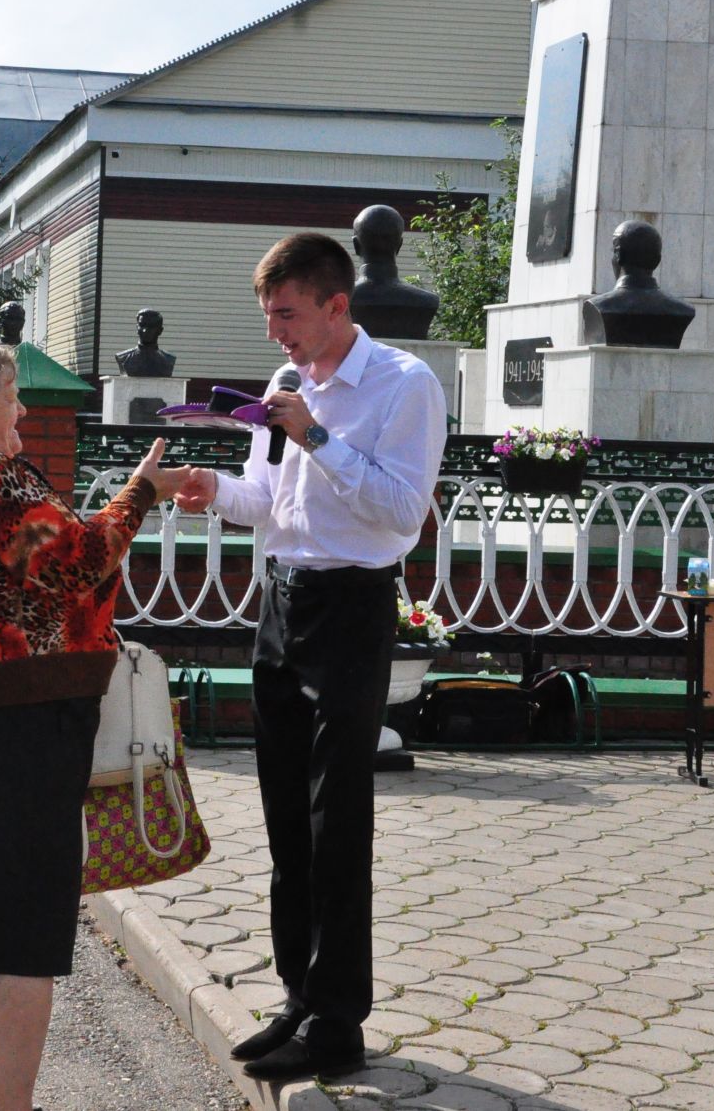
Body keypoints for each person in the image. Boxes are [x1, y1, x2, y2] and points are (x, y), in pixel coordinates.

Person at [0, 341, 187, 1111]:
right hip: (11, 721)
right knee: (19, 927)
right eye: (11, 396)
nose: (23, 410)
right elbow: (76, 562)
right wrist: (141, 492)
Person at [175, 231, 445, 1081]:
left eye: (287, 314)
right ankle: (299, 993)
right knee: (287, 816)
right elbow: (266, 499)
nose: (275, 336)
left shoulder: (404, 384)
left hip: (352, 606)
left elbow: (402, 514)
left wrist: (321, 438)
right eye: (268, 317)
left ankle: (337, 1024)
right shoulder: (288, 384)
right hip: (283, 601)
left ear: (337, 304)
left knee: (337, 820)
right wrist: (212, 490)